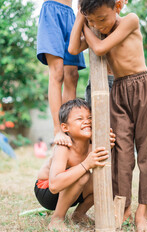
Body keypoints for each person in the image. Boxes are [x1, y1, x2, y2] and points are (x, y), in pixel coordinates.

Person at [68, 0, 147, 231]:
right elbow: (72, 46)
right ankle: (123, 209)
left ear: (117, 5)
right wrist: (83, 16)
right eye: (92, 21)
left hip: (143, 87)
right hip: (118, 91)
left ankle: (142, 215)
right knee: (121, 154)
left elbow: (98, 49)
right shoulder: (98, 27)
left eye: (100, 19)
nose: (97, 25)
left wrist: (89, 24)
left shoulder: (130, 19)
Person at [34, 98, 115, 231]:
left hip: (71, 190)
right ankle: (57, 219)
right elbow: (54, 186)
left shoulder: (92, 146)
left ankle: (78, 214)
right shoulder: (64, 147)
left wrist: (108, 144)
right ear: (65, 128)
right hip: (47, 191)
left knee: (102, 179)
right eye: (80, 119)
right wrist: (86, 164)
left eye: (89, 117)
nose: (87, 121)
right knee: (83, 175)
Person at [37, 0, 86, 147]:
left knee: (72, 75)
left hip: (71, 14)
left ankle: (70, 128)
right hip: (51, 11)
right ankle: (58, 129)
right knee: (57, 72)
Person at [85, 0, 129, 107]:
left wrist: (85, 25)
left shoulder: (128, 21)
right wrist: (82, 17)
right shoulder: (98, 26)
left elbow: (100, 48)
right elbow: (73, 49)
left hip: (121, 82)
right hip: (99, 83)